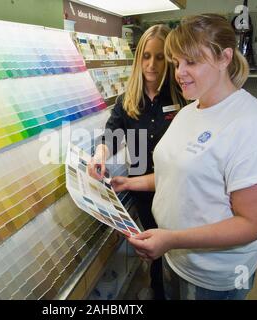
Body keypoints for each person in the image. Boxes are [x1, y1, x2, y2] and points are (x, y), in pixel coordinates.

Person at [111, 14, 257, 300]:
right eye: (177, 62)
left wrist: (172, 239)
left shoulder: (254, 127)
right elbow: (180, 173)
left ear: (224, 58)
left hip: (214, 276)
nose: (179, 72)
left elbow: (252, 223)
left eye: (191, 62)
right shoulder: (189, 111)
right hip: (176, 259)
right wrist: (129, 183)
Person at [88, 24, 185, 300]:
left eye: (160, 56)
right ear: (138, 58)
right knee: (153, 250)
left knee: (177, 253)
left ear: (170, 59)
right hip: (143, 193)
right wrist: (100, 156)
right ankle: (157, 291)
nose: (152, 64)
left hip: (177, 192)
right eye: (146, 56)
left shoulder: (183, 96)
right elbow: (112, 134)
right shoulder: (129, 98)